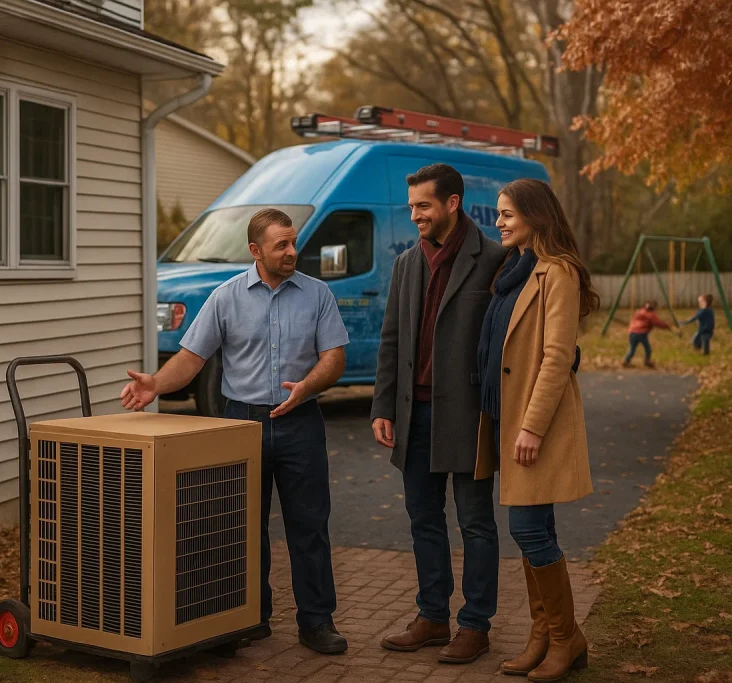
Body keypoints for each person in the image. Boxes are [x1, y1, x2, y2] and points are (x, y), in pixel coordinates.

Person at [120, 208, 351, 655]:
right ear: (255, 250)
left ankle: (317, 621)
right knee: (241, 526)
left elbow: (334, 358)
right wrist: (154, 383)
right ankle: (250, 618)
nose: (291, 251)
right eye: (280, 244)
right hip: (241, 423)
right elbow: (191, 358)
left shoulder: (318, 294)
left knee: (310, 527)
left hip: (301, 422)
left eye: (293, 242)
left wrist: (308, 386)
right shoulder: (225, 297)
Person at [372, 163, 507, 665]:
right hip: (413, 416)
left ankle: (475, 626)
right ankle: (432, 617)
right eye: (411, 207)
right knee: (423, 519)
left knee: (475, 523)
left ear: (452, 203)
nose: (415, 216)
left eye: (423, 206)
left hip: (470, 417)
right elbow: (391, 339)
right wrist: (383, 405)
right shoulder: (407, 263)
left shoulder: (493, 259)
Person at [473, 178, 597, 680]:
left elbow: (557, 356)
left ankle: (567, 638)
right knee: (532, 530)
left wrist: (531, 427)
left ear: (534, 215)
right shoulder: (516, 271)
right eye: (498, 214)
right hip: (509, 418)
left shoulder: (557, 273)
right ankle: (543, 635)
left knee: (527, 529)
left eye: (506, 214)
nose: (498, 222)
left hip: (534, 423)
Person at [623, 300, 671, 368]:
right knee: (648, 349)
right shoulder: (651, 315)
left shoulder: (639, 311)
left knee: (632, 349)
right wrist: (667, 326)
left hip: (632, 332)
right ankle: (647, 361)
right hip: (641, 334)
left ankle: (626, 361)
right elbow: (658, 323)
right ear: (654, 308)